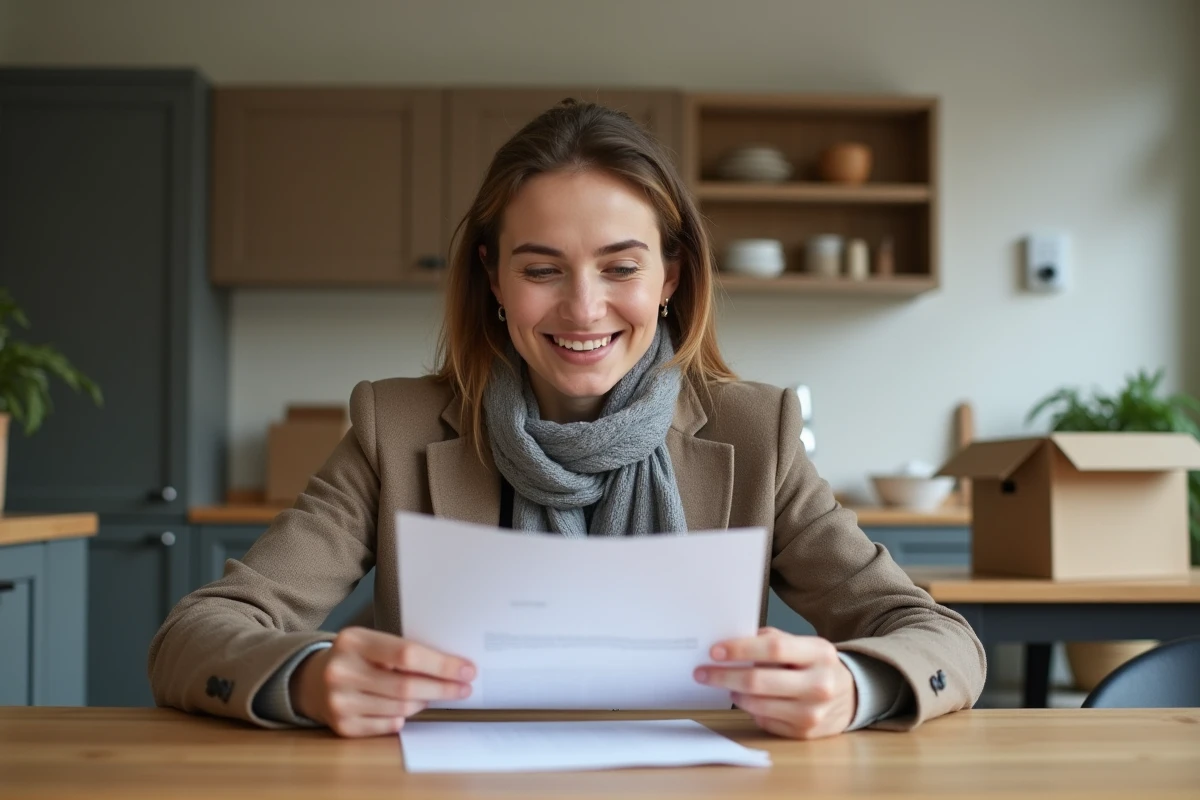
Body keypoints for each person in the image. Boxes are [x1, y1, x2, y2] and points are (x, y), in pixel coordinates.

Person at [149, 100, 985, 739]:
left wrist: (854, 687)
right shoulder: (394, 428)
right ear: (493, 279)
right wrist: (305, 679)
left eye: (620, 267)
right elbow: (193, 636)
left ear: (669, 277)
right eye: (541, 269)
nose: (584, 309)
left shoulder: (754, 429)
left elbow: (937, 636)